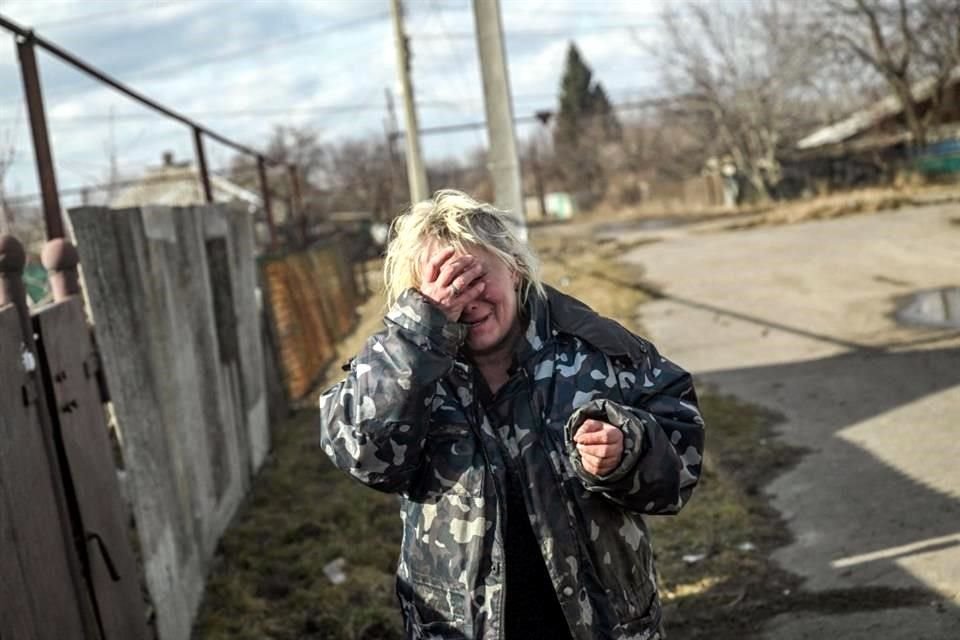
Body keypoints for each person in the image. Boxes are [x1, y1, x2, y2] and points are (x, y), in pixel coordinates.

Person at [318, 190, 705, 640]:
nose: (466, 300)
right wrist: (422, 331)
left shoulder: (593, 350)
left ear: (515, 268)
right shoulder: (403, 365)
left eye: (475, 277)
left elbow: (681, 455)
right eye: (444, 285)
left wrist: (628, 451)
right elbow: (364, 457)